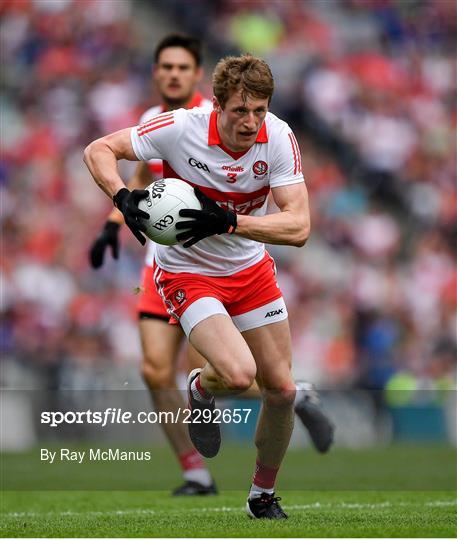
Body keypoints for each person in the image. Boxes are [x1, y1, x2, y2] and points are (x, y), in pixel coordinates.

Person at [85, 53, 329, 518]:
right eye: (240, 110)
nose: (251, 121)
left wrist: (231, 222)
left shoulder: (278, 136)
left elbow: (298, 227)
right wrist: (122, 200)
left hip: (250, 270)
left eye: (259, 110)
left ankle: (262, 495)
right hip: (186, 271)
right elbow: (97, 149)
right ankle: (201, 387)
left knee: (282, 390)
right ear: (216, 105)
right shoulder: (181, 127)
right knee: (238, 375)